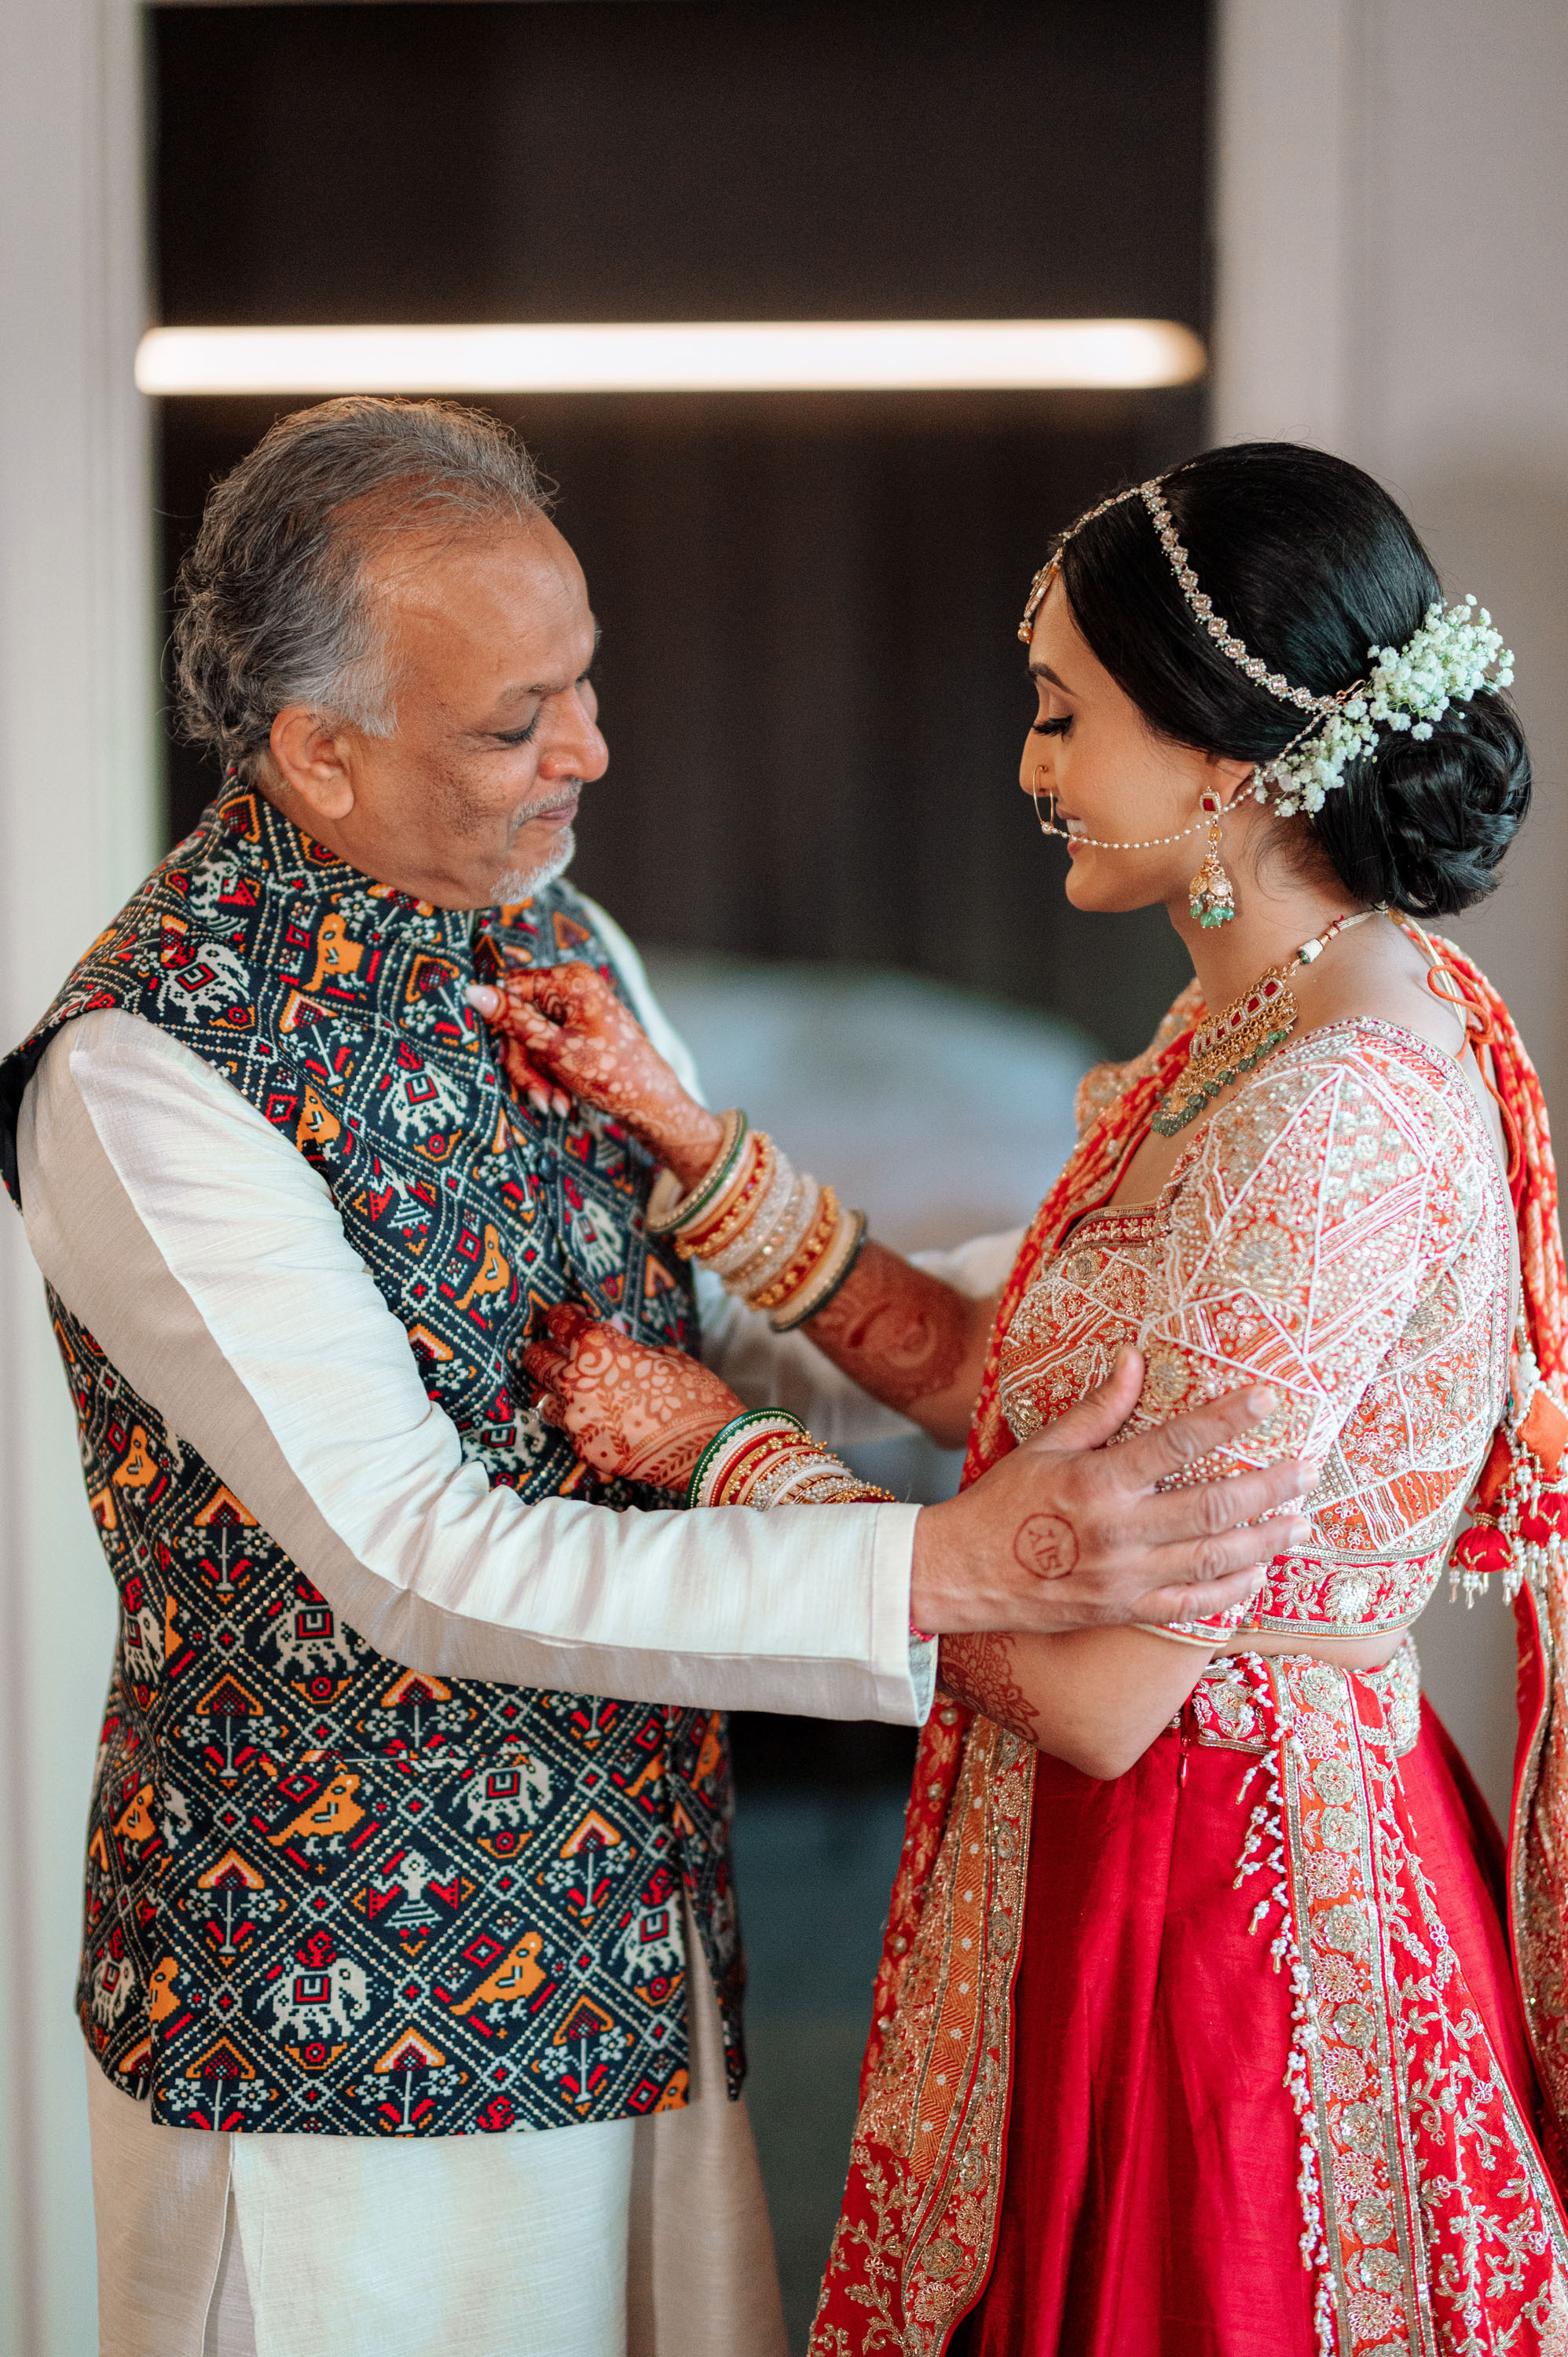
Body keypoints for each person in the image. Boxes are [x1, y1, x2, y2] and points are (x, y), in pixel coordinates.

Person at [0, 399, 1296, 2357]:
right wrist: (942, 1567)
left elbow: (700, 1324)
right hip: (340, 2006)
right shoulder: (141, 1077)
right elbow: (417, 1555)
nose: (590, 752)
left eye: (584, 684)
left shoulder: (557, 929)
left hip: (633, 1939)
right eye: (517, 723)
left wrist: (1097, 1314)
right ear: (315, 751)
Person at [484, 442, 1568, 2352]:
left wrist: (719, 1456)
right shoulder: (1247, 1027)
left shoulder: (1334, 1114)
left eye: (1065, 715)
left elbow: (1091, 1687)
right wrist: (691, 1146)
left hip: (1227, 1933)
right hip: (1136, 1869)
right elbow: (1016, 1390)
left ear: (1227, 756)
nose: (1029, 767)